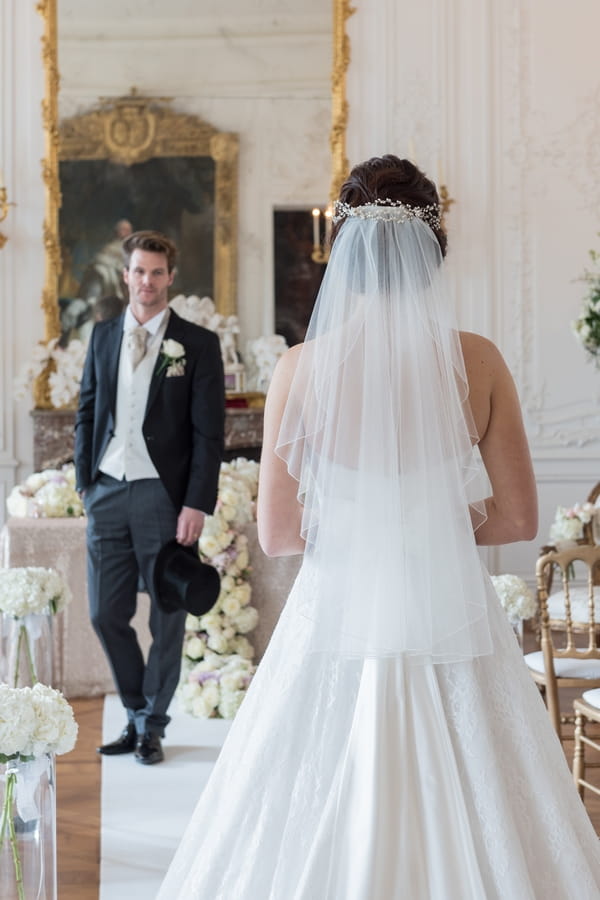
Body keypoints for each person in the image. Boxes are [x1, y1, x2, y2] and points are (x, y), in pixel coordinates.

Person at [158, 157, 600, 896]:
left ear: (345, 255)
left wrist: (364, 524)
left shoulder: (301, 369)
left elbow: (277, 534)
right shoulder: (478, 362)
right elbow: (519, 517)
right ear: (434, 250)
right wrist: (423, 520)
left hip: (335, 620)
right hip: (448, 617)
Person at [74, 230, 225, 766]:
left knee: (167, 615)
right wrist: (85, 483)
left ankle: (152, 726)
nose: (148, 282)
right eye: (139, 271)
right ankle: (137, 711)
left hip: (165, 497)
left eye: (157, 273)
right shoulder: (101, 336)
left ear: (171, 278)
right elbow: (88, 412)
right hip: (108, 491)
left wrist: (195, 503)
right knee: (104, 613)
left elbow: (210, 435)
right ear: (125, 275)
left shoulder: (198, 344)